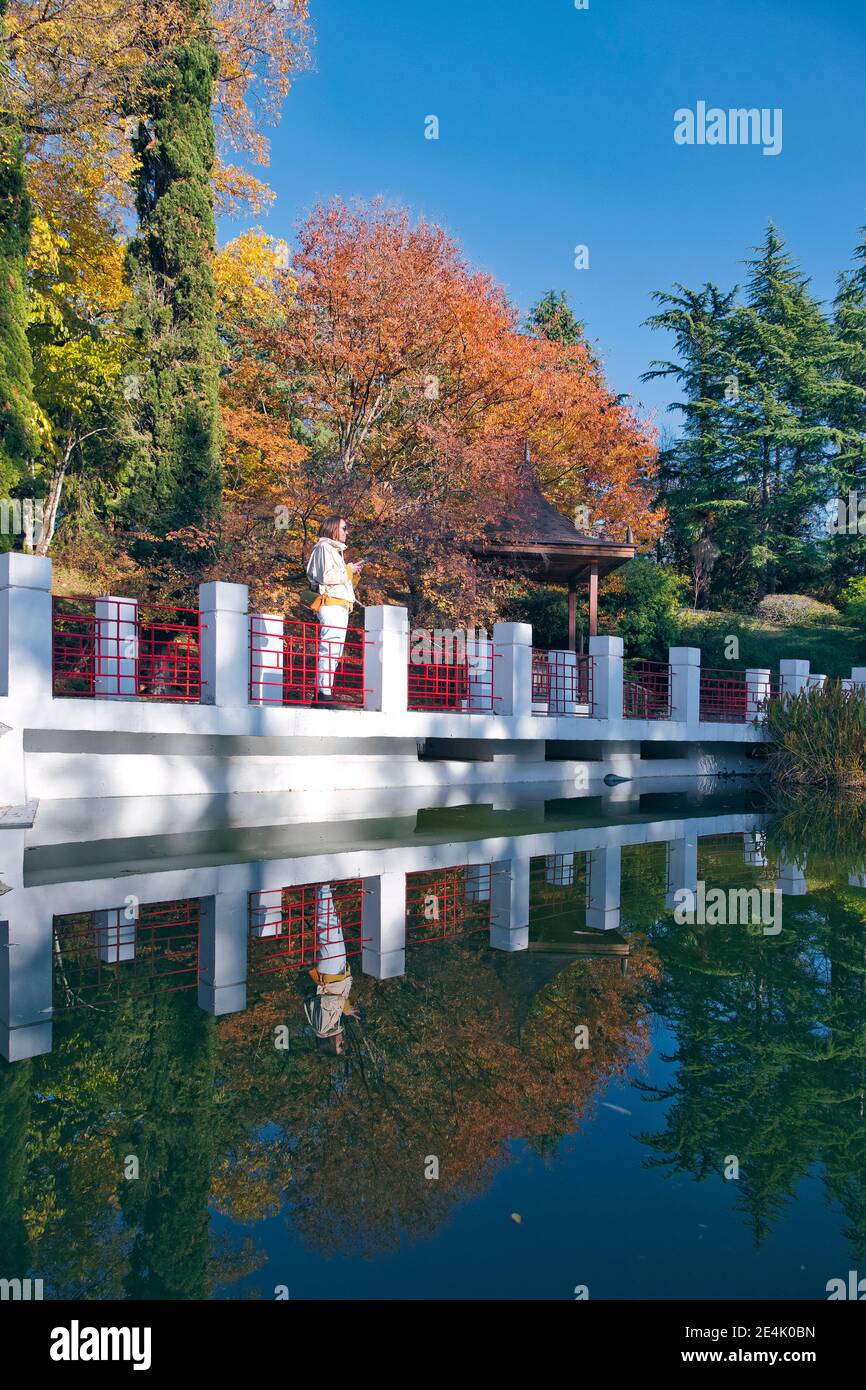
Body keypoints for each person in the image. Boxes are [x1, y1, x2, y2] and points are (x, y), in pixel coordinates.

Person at [304, 516, 366, 707]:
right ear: (333, 529)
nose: (347, 531)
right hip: (331, 604)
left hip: (339, 605)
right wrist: (348, 570)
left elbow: (340, 581)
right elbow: (327, 577)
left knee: (334, 649)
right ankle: (323, 693)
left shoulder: (333, 551)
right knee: (331, 647)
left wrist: (351, 572)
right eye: (344, 528)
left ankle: (321, 691)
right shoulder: (324, 548)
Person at [303, 883, 359, 1054]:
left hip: (331, 972)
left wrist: (346, 1008)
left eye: (339, 1046)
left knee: (328, 930)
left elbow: (326, 1001)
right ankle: (323, 890)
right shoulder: (330, 1025)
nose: (342, 1042)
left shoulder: (322, 1027)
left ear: (330, 1044)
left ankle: (323, 888)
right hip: (336, 973)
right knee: (332, 929)